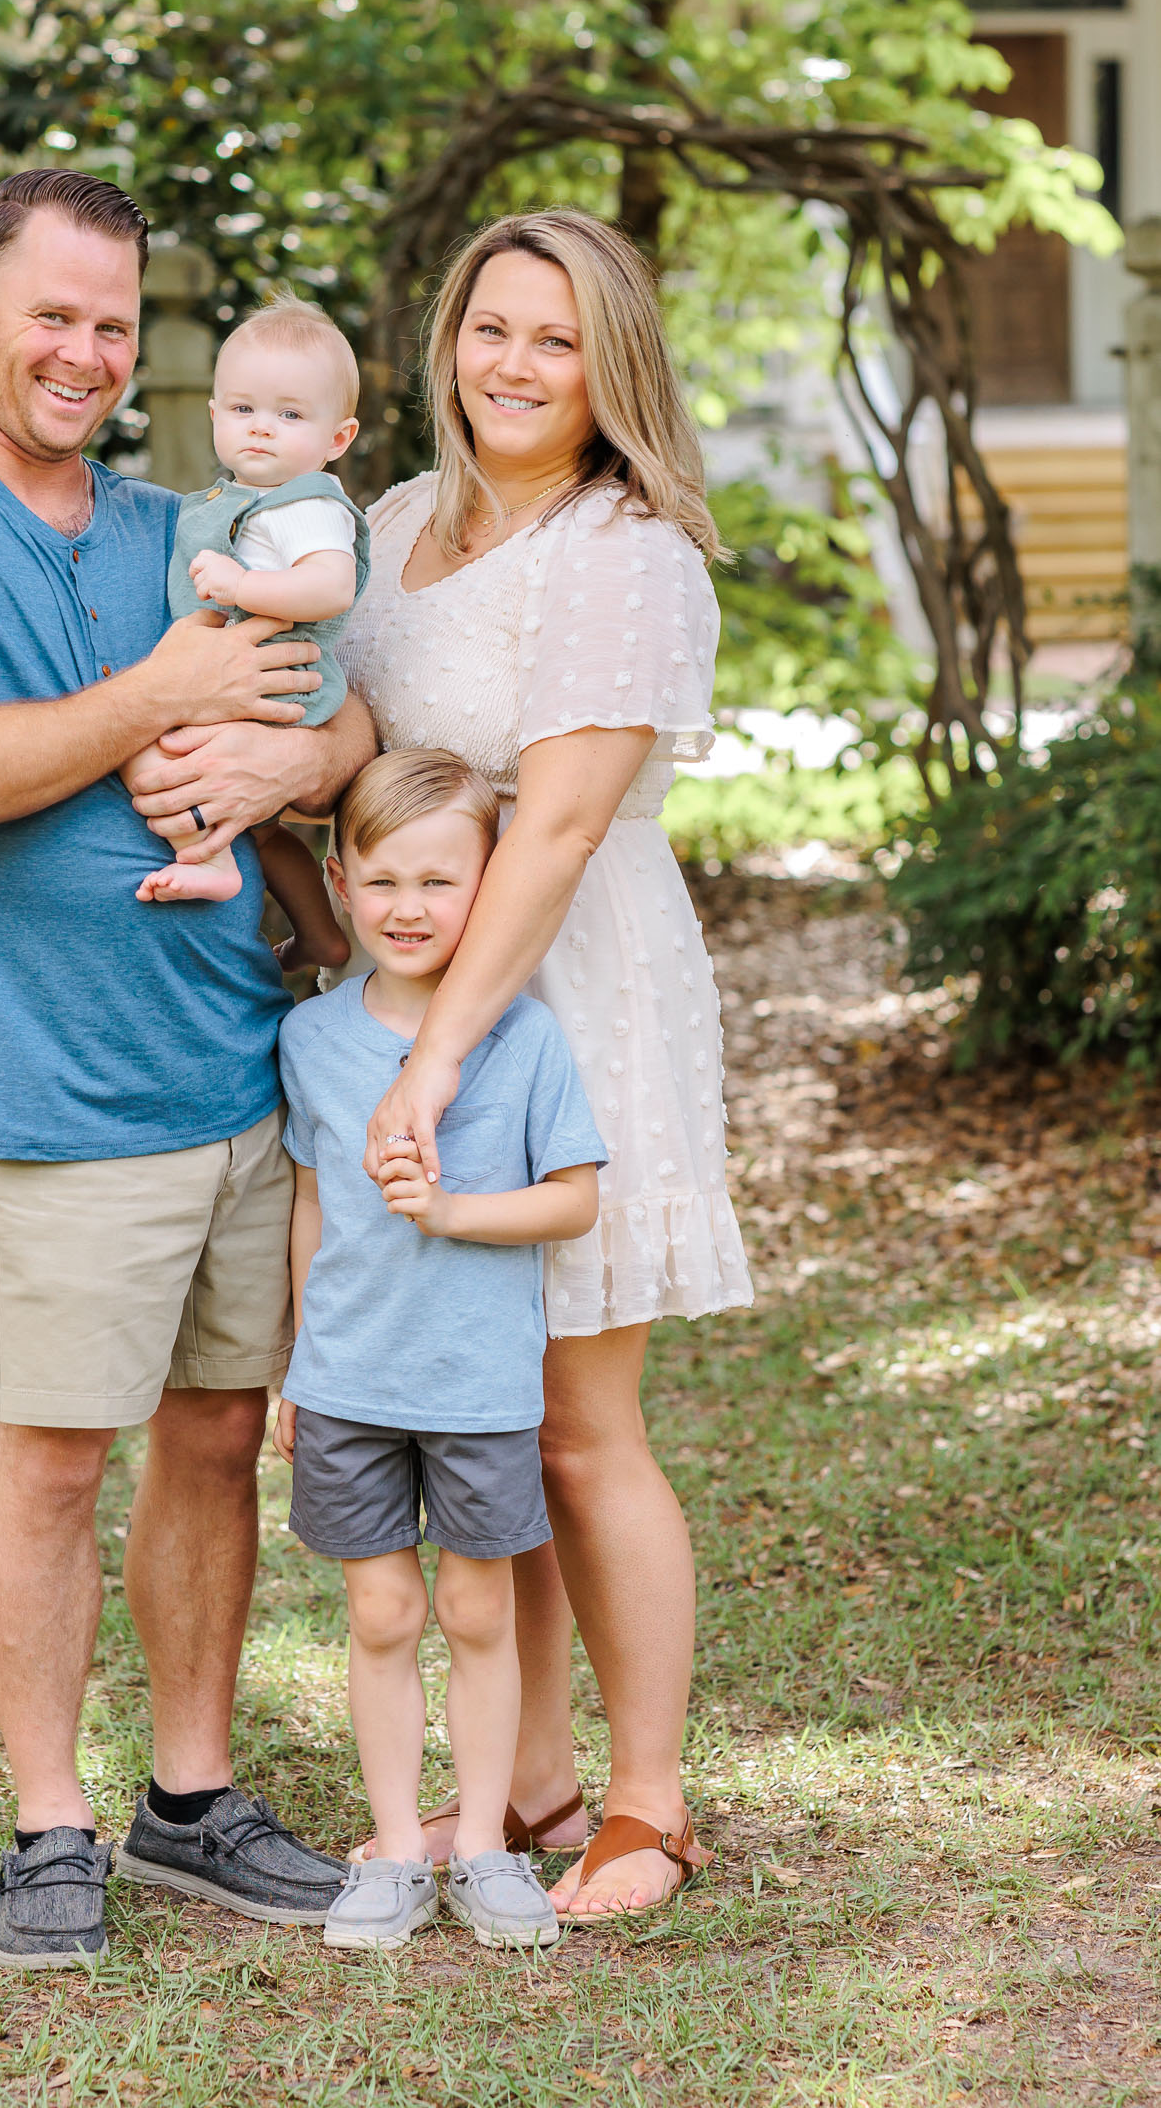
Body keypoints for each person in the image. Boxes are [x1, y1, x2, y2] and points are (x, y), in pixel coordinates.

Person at [0, 168, 375, 1969]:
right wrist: (163, 691)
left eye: (115, 324)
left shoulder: (180, 520)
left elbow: (344, 708)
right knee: (53, 1458)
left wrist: (293, 763)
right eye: (52, 311)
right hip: (57, 1090)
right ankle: (49, 1822)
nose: (84, 351)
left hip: (244, 1068)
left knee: (213, 1440)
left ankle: (188, 1799)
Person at [335, 208, 754, 1919]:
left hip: (572, 991)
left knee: (579, 1418)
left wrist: (432, 1060)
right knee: (485, 1402)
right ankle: (523, 1785)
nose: (511, 364)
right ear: (446, 343)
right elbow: (354, 758)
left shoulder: (621, 548)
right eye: (488, 328)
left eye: (554, 338)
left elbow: (560, 825)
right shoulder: (380, 529)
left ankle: (644, 1807)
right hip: (420, 981)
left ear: (610, 370)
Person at [272, 749, 605, 1953]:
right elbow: (313, 1210)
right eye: (385, 878)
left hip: (477, 1385)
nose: (410, 905)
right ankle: (397, 1850)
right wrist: (294, 1364)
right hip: (350, 1380)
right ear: (341, 880)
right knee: (378, 1610)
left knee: (476, 1607)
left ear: (489, 885)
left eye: (441, 879)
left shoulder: (524, 1042)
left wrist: (453, 1209)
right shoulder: (310, 1041)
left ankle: (482, 1846)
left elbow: (572, 1201)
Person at [134, 292, 369, 973]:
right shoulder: (231, 500)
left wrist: (240, 589)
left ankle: (205, 859)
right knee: (263, 830)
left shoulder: (306, 504)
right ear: (214, 415)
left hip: (277, 682)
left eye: (289, 414)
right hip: (251, 678)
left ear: (337, 439)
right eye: (242, 410)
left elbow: (330, 586)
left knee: (150, 750)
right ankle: (320, 935)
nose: (260, 428)